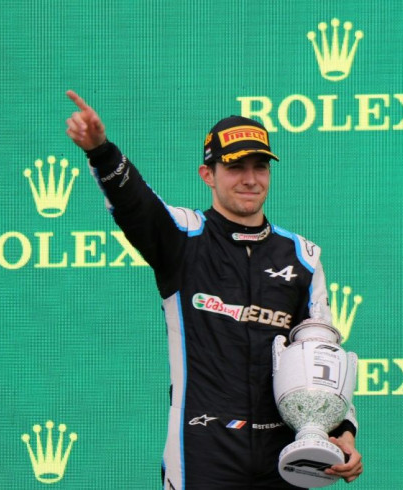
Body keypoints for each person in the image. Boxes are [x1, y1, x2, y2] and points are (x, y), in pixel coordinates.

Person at [65, 90, 363, 489]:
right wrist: (101, 152)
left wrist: (343, 430)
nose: (250, 179)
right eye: (235, 167)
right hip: (202, 449)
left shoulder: (302, 257)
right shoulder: (183, 238)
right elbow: (136, 205)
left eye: (260, 167)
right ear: (208, 174)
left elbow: (323, 360)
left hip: (283, 454)